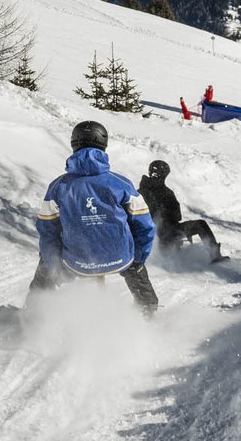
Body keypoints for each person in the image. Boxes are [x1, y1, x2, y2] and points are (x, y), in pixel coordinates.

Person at [29, 120, 159, 316]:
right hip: (120, 258)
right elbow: (144, 226)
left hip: (76, 261)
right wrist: (138, 258)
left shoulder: (58, 187)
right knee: (135, 266)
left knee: (46, 261)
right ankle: (147, 310)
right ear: (103, 145)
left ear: (74, 144)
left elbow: (48, 231)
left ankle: (35, 313)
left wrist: (53, 266)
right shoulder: (121, 184)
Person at [138, 160, 223, 264]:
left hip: (163, 236)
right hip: (160, 236)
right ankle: (215, 255)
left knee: (197, 226)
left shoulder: (143, 190)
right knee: (200, 225)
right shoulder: (162, 192)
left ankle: (211, 255)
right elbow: (177, 216)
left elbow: (176, 216)